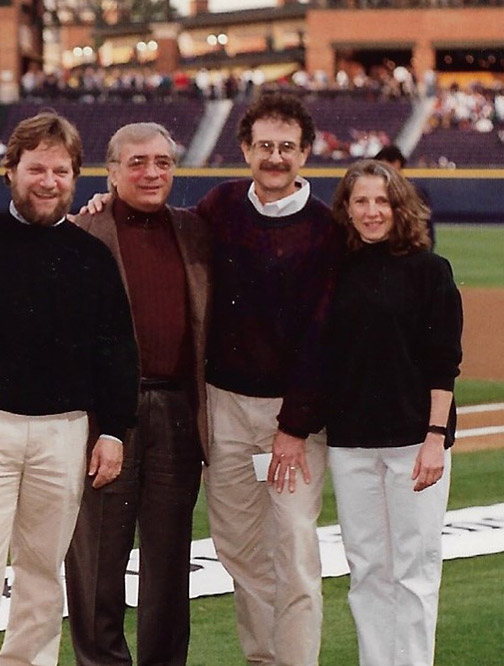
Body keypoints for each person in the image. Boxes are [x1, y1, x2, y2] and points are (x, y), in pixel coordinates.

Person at [0, 111, 139, 666]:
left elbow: (115, 348)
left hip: (63, 432)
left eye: (60, 171)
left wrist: (114, 432)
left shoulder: (91, 256)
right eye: (36, 169)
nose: (48, 181)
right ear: (10, 172)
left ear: (76, 178)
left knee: (42, 572)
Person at [197, 93, 343, 666]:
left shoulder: (327, 230)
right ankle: (264, 658)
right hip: (225, 406)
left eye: (287, 147)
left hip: (293, 417)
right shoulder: (221, 205)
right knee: (238, 547)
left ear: (305, 152)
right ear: (245, 150)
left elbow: (324, 336)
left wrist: (294, 425)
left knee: (296, 546)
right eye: (265, 147)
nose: (275, 157)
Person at [64, 122, 210, 666]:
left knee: (169, 564)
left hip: (176, 409)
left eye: (163, 163)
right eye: (138, 163)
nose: (151, 173)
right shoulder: (84, 230)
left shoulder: (195, 230)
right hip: (108, 414)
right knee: (98, 561)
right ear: (113, 171)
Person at [327, 159, 462, 666]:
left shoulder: (430, 270)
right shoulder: (334, 269)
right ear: (347, 208)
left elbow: (443, 362)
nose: (371, 211)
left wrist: (434, 437)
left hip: (414, 442)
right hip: (351, 443)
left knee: (415, 570)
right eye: (360, 201)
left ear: (398, 206)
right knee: (366, 571)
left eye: (381, 200)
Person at [372, 144, 436, 248]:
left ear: (396, 163)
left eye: (383, 165)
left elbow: (426, 225)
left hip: (409, 247)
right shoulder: (376, 190)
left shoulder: (415, 191)